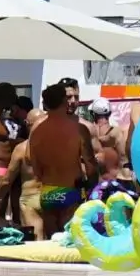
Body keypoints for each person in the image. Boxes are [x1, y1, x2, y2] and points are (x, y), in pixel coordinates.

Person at [27, 83, 95, 236]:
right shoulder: (78, 129)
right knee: (71, 239)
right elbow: (90, 165)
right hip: (71, 189)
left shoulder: (37, 131)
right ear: (65, 102)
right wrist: (91, 186)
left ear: (45, 105)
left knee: (53, 240)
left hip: (49, 191)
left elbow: (35, 168)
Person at [0, 137, 45, 241]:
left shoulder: (22, 148)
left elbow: (6, 181)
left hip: (32, 197)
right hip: (57, 194)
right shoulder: (60, 145)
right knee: (57, 240)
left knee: (36, 241)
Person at [85, 98, 123, 169]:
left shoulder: (88, 131)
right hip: (113, 175)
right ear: (109, 113)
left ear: (93, 113)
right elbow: (123, 157)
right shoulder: (115, 132)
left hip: (95, 175)